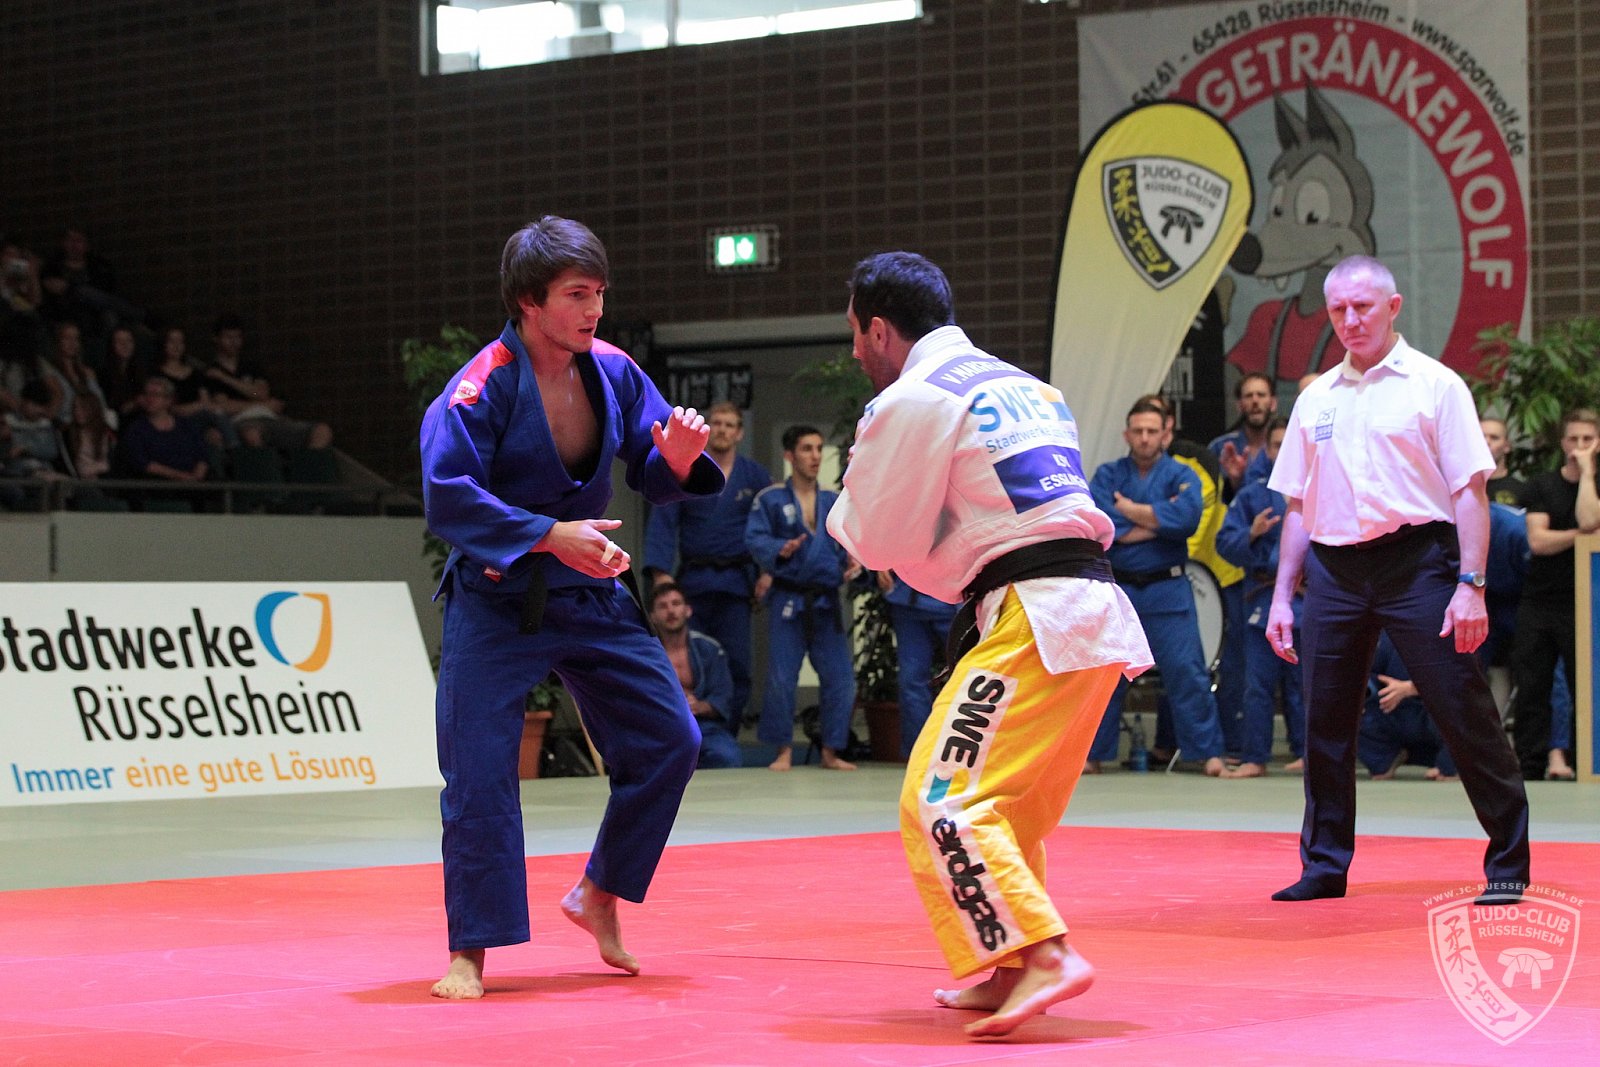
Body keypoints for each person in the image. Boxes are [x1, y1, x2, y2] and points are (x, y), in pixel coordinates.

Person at [829, 251, 1150, 1037]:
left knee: (943, 796)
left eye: (856, 335)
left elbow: (878, 538)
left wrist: (857, 516)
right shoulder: (1027, 387)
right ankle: (1007, 962)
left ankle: (1043, 952)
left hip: (1033, 614)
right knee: (1008, 808)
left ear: (879, 329)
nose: (856, 352)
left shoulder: (916, 397)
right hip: (1087, 610)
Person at [420, 216, 724, 1000]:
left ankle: (599, 891)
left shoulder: (613, 369)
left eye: (599, 294)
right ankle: (470, 952)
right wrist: (548, 535)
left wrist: (677, 459)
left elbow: (652, 462)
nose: (595, 310)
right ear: (530, 301)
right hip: (497, 599)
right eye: (577, 295)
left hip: (588, 589)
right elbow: (447, 497)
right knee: (479, 771)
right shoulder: (481, 386)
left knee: (671, 738)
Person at [1265, 254, 1530, 905]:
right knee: (1324, 722)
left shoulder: (1435, 385)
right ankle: (1324, 864)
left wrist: (1471, 584)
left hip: (1420, 563)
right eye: (1338, 309)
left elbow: (1470, 492)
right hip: (1333, 569)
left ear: (1392, 306)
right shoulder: (1317, 398)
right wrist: (1281, 596)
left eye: (1363, 306)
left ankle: (1507, 861)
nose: (1350, 319)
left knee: (1461, 708)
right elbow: (1297, 503)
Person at [1087, 399, 1227, 776]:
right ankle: (1093, 754)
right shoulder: (1108, 475)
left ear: (1165, 434)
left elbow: (1187, 520)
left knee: (1187, 672)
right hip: (1120, 590)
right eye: (1138, 431)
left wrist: (1130, 511)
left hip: (1168, 588)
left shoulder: (1183, 474)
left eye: (1152, 431)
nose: (1145, 438)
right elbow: (1103, 526)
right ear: (1127, 434)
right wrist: (1159, 522)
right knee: (1105, 675)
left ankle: (1207, 753)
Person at [644, 400, 772, 726]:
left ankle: (726, 730)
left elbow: (769, 525)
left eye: (730, 425)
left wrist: (767, 572)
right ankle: (691, 730)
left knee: (738, 661)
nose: (723, 430)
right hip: (694, 582)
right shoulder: (689, 469)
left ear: (739, 433)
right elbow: (665, 519)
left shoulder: (754, 476)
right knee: (692, 658)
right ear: (707, 428)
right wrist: (660, 574)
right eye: (717, 423)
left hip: (736, 583)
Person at [745, 424, 859, 771]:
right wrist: (780, 549)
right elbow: (755, 538)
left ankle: (831, 750)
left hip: (826, 600)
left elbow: (850, 539)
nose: (815, 456)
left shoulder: (833, 500)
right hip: (789, 598)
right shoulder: (770, 499)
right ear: (789, 455)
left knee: (840, 678)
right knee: (782, 677)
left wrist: (854, 559)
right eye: (807, 449)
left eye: (818, 448)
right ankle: (783, 750)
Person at [1510, 409, 1600, 781]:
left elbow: (1589, 517)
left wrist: (1588, 475)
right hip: (1540, 599)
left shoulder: (1595, 484)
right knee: (1533, 685)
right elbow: (1539, 541)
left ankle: (1584, 763)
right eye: (1573, 439)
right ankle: (1530, 766)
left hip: (1588, 602)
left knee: (1586, 687)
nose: (1579, 447)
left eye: (1587, 439)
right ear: (1563, 443)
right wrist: (1582, 537)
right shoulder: (1541, 486)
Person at [1215, 416, 1304, 778]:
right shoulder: (1253, 495)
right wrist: (1251, 534)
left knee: (1304, 684)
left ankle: (1307, 752)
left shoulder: (1320, 490)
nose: (1283, 451)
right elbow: (1224, 543)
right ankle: (1254, 757)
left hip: (1307, 598)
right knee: (1257, 683)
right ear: (1267, 450)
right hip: (1263, 598)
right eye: (1277, 445)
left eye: (1289, 444)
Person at [204, 313, 334, 452]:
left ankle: (308, 464)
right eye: (229, 337)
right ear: (216, 338)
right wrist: (264, 405)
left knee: (322, 431)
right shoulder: (211, 373)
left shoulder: (250, 367)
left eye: (237, 337)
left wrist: (226, 378)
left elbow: (260, 393)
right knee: (252, 434)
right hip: (243, 422)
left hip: (271, 418)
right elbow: (224, 407)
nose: (234, 342)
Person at [648, 582, 742, 769]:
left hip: (701, 725)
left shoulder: (710, 649)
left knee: (728, 757)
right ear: (653, 617)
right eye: (663, 606)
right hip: (658, 725)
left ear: (688, 610)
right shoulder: (645, 654)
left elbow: (723, 694)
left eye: (676, 604)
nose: (671, 611)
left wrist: (699, 706)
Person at [879, 571, 959, 759]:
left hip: (954, 599)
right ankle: (919, 756)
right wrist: (878, 566)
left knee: (971, 675)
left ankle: (968, 755)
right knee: (911, 680)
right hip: (908, 600)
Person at [1357, 632, 1459, 781]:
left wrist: (1412, 688)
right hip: (1393, 710)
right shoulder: (1386, 636)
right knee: (1343, 707)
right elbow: (1367, 674)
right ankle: (1383, 760)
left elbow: (1465, 680)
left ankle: (1451, 766)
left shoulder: (1457, 629)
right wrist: (1360, 693)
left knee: (1458, 704)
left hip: (1435, 713)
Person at [1210, 372, 1278, 495]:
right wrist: (1233, 482)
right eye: (1248, 396)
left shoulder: (1288, 447)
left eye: (1261, 395)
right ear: (1239, 405)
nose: (1255, 401)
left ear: (1273, 403)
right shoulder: (1219, 448)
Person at [1481, 415, 1524, 507]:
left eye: (1494, 438)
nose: (1486, 442)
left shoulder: (1521, 490)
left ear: (1507, 446)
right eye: (1481, 436)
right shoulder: (1459, 486)